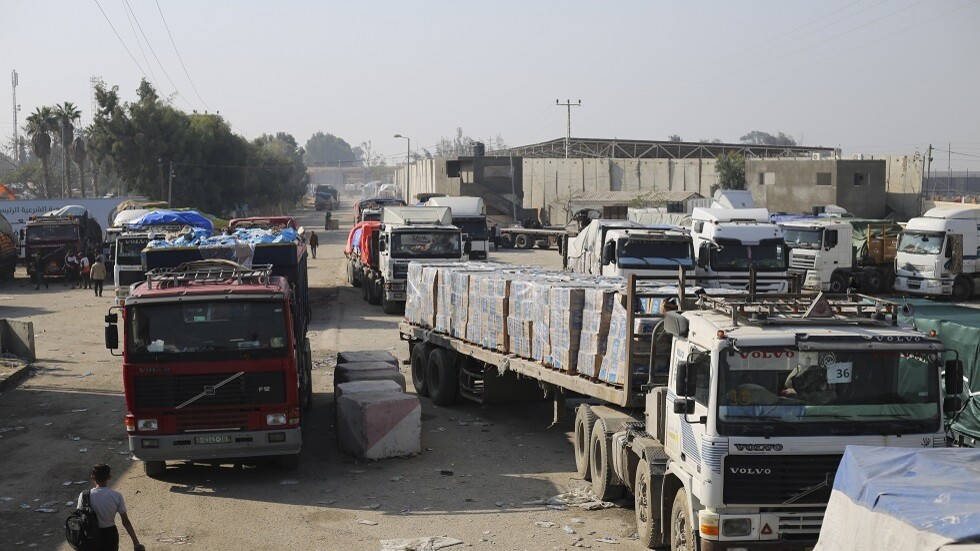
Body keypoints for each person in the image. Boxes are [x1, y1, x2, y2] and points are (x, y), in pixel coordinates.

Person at [77, 463, 145, 551]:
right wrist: (136, 542)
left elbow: (79, 519)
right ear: (109, 477)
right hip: (110, 534)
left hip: (90, 535)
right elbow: (126, 522)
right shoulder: (116, 496)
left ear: (93, 478)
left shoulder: (84, 495)